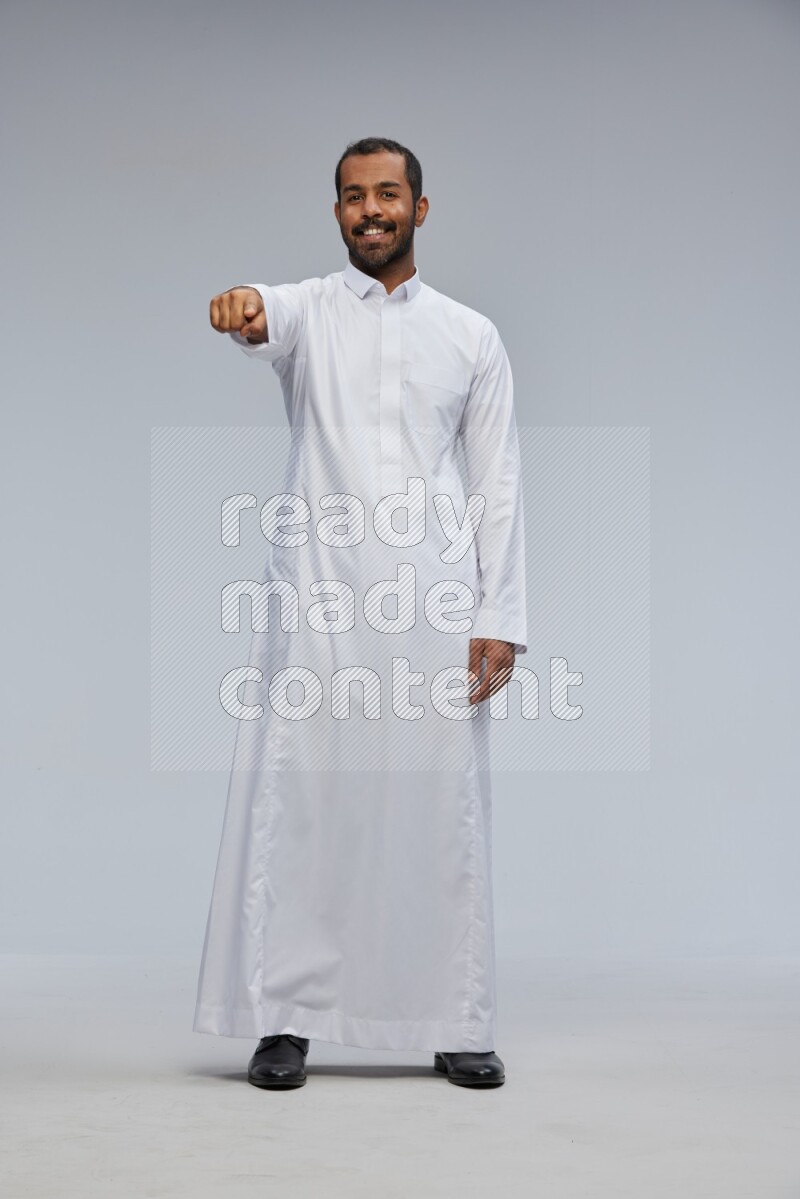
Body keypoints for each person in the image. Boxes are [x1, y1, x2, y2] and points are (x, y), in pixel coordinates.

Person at [195, 136, 527, 1090]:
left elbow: (497, 483)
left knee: (441, 810)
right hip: (321, 604)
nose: (369, 210)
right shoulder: (308, 312)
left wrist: (498, 611)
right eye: (352, 197)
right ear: (337, 212)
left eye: (388, 194)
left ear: (421, 208)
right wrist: (241, 308)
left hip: (432, 606)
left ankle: (455, 1017)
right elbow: (259, 314)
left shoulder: (471, 336)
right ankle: (286, 1021)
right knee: (308, 804)